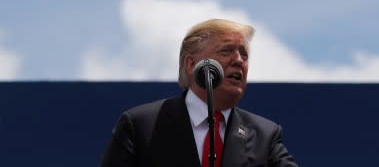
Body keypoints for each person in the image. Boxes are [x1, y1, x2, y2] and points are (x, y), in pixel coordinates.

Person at [100, 18, 298, 167]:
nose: (239, 60)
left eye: (244, 54)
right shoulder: (141, 125)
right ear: (192, 64)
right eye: (226, 51)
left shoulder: (265, 135)